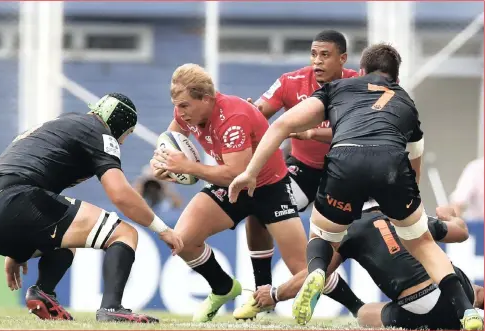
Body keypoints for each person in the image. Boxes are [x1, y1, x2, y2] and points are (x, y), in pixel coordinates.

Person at [228, 43, 483, 329]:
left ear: (360, 72)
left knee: (323, 241)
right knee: (423, 243)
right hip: (392, 168)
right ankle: (468, 312)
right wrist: (412, 208)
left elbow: (281, 125)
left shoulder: (338, 88)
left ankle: (316, 270)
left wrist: (250, 172)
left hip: (344, 159)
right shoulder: (406, 102)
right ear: (396, 79)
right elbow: (415, 168)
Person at [0, 93, 184, 323]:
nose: (122, 142)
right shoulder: (99, 131)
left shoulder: (64, 123)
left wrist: (16, 243)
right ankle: (112, 309)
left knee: (67, 239)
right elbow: (121, 195)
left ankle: (44, 293)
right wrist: (162, 228)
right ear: (120, 127)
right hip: (17, 199)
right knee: (124, 233)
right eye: (126, 135)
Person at [149, 63, 308, 322]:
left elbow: (238, 172)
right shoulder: (185, 113)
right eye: (177, 105)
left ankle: (279, 300)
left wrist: (188, 167)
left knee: (305, 271)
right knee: (180, 240)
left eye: (185, 105)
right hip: (231, 187)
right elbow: (167, 144)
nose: (179, 112)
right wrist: (161, 166)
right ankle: (223, 288)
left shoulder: (233, 118)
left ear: (207, 99)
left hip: (270, 187)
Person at [234, 29, 359, 320]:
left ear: (343, 59)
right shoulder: (292, 81)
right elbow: (259, 114)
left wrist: (312, 132)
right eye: (314, 54)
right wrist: (250, 114)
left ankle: (360, 308)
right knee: (259, 208)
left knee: (352, 241)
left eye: (325, 55)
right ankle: (262, 294)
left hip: (345, 175)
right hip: (303, 171)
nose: (317, 61)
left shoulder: (358, 83)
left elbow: (356, 130)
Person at [254, 202, 482, 330]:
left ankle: (355, 304)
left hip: (417, 308)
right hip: (453, 291)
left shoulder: (349, 230)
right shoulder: (407, 216)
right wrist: (449, 215)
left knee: (363, 314)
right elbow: (461, 233)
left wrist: (274, 294)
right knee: (478, 293)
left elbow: (313, 275)